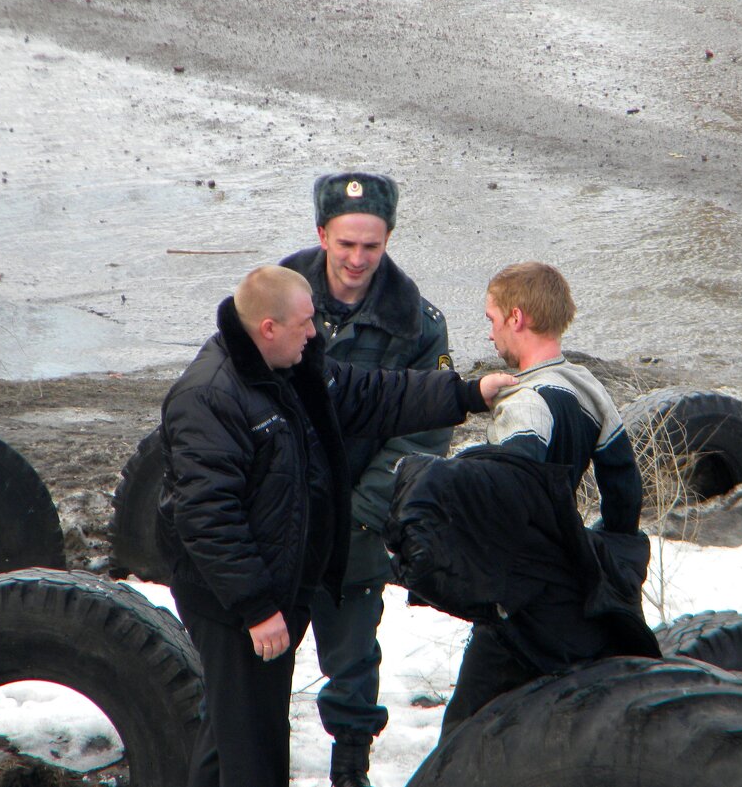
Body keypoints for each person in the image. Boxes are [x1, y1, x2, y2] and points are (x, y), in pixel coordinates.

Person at [155, 264, 513, 787]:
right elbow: (207, 516)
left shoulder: (294, 367)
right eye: (305, 323)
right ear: (268, 328)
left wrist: (467, 394)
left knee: (231, 728)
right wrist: (257, 608)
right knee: (254, 744)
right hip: (230, 598)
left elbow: (375, 394)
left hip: (277, 581)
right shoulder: (210, 395)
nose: (314, 332)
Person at [279, 172, 452, 787]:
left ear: (388, 240)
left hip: (355, 522)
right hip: (278, 515)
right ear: (322, 233)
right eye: (346, 243)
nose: (357, 259)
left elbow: (423, 432)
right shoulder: (274, 298)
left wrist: (359, 514)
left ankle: (350, 767)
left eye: (371, 246)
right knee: (254, 656)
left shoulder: (417, 325)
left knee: (352, 657)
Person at [427, 261, 650, 740]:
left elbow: (513, 493)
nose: (489, 334)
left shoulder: (526, 402)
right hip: (574, 587)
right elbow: (624, 488)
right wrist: (612, 559)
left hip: (523, 602)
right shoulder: (589, 387)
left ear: (517, 318)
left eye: (491, 320)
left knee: (465, 733)